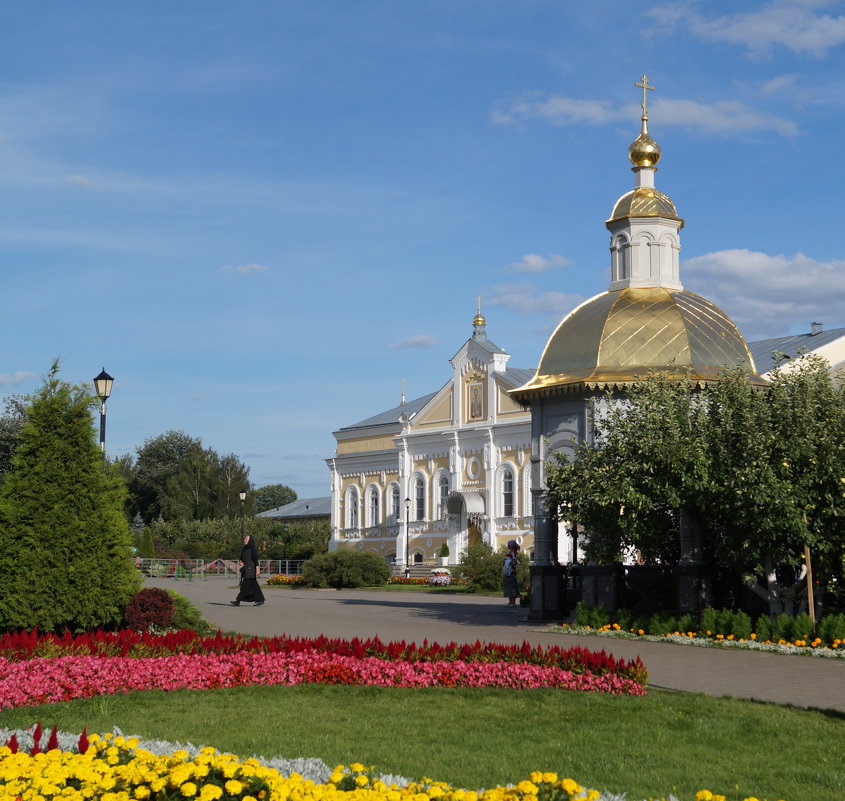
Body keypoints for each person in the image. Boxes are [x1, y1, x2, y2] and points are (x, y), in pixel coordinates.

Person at [230, 534, 265, 606]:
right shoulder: (245, 549)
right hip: (246, 570)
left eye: (246, 539)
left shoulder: (252, 550)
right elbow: (242, 558)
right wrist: (241, 562)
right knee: (255, 586)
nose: (244, 541)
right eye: (244, 539)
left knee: (245, 586)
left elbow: (256, 561)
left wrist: (257, 570)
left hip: (251, 571)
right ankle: (260, 600)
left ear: (249, 541)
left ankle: (237, 601)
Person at [502, 539, 520, 607]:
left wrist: (507, 562)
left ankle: (513, 602)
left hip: (511, 572)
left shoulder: (513, 554)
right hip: (508, 572)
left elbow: (514, 562)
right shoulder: (510, 553)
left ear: (510, 546)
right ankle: (510, 602)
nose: (507, 545)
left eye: (508, 544)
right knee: (509, 587)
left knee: (512, 587)